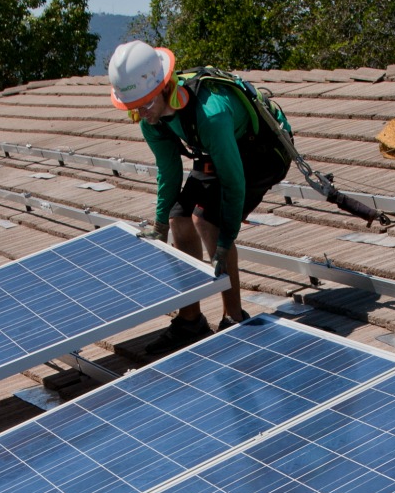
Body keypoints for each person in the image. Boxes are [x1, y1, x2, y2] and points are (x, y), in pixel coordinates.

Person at [108, 40, 292, 354]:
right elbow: (168, 171)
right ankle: (190, 319)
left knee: (207, 219)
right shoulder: (151, 118)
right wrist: (159, 225)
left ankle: (234, 318)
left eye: (146, 104)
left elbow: (233, 183)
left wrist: (223, 243)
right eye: (133, 108)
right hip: (216, 150)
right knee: (179, 217)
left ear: (164, 87)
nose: (140, 113)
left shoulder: (211, 113)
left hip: (261, 152)